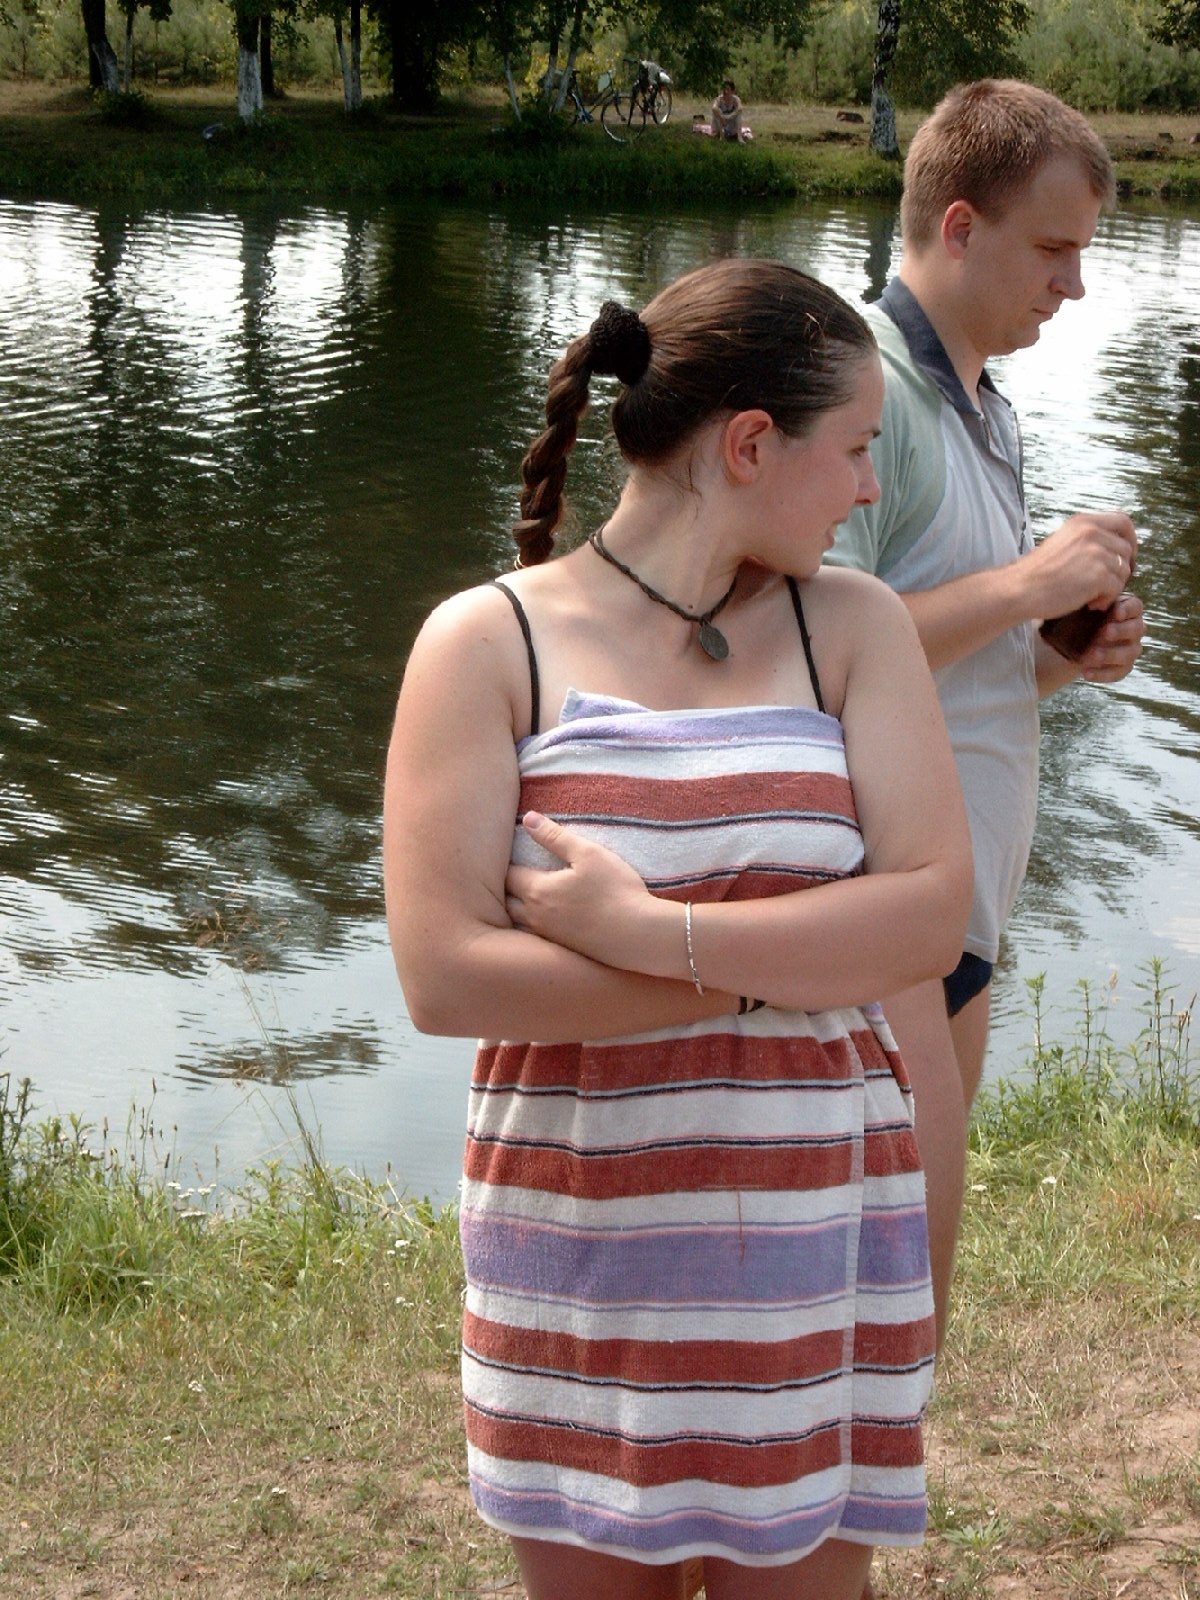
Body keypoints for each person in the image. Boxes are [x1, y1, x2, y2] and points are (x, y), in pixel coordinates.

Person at [384, 258, 973, 1600]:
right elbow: (447, 976)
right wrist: (792, 965)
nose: (869, 487)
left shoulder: (853, 628)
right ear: (751, 445)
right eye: (857, 449)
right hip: (581, 1277)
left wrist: (648, 933)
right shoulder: (486, 642)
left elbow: (930, 913)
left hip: (814, 1267)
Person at [825, 79, 1146, 1357]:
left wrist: (1052, 657)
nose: (1075, 285)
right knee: (886, 1308)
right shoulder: (863, 391)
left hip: (955, 914)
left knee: (911, 1308)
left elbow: (932, 674)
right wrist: (1026, 586)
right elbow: (808, 656)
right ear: (959, 227)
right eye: (1054, 248)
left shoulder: (984, 404)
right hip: (875, 915)